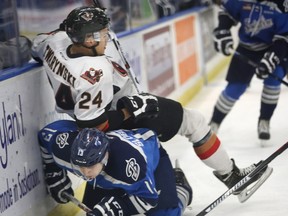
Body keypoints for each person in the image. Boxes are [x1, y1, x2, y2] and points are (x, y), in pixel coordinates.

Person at [31, 6, 272, 208]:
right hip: (116, 114)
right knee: (193, 122)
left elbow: (36, 46)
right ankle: (233, 178)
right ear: (89, 39)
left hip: (105, 106)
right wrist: (131, 110)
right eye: (103, 34)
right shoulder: (94, 73)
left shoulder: (54, 41)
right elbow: (93, 125)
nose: (107, 37)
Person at [38, 119, 193, 215]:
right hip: (106, 177)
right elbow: (45, 135)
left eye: (91, 165)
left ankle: (180, 187)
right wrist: (54, 173)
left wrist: (118, 207)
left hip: (152, 160)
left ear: (104, 157)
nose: (85, 172)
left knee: (166, 214)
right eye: (80, 165)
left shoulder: (132, 168)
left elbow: (148, 199)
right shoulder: (63, 146)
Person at [209, 0, 288, 141]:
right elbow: (227, 11)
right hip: (247, 48)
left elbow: (284, 35)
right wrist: (223, 29)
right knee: (235, 88)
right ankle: (214, 123)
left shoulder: (283, 5)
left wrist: (274, 57)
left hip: (274, 48)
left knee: (273, 82)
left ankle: (264, 121)